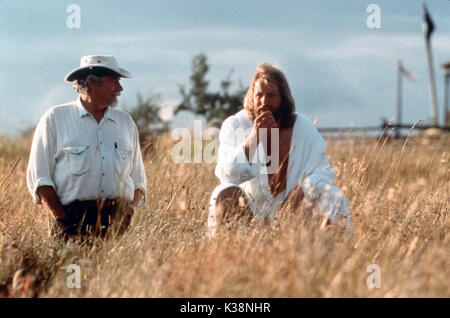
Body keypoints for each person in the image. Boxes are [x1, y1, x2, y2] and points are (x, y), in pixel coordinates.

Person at [208, 63, 352, 236]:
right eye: (259, 95)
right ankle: (235, 252)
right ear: (251, 97)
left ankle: (331, 256)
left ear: (283, 99)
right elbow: (227, 174)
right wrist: (254, 138)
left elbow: (325, 171)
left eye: (271, 95)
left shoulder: (304, 128)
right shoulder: (235, 125)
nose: (264, 102)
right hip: (250, 213)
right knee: (224, 192)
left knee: (334, 197)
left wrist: (305, 189)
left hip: (295, 215)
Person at [27, 55, 147, 239]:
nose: (120, 88)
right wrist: (62, 220)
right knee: (72, 268)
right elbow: (40, 180)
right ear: (92, 83)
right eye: (113, 81)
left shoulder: (125, 122)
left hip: (117, 225)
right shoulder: (55, 119)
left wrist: (128, 213)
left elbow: (138, 180)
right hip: (70, 223)